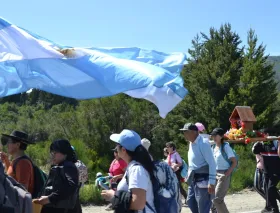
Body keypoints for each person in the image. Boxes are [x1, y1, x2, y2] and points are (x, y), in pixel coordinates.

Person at [101, 129, 156, 213]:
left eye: (117, 145)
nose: (116, 148)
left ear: (123, 150)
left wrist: (114, 196)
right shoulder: (134, 167)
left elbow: (138, 203)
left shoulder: (136, 169)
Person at [34, 139, 81, 213]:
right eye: (52, 152)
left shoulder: (68, 166)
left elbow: (72, 185)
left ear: (65, 153)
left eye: (55, 152)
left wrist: (50, 198)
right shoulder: (61, 165)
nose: (52, 155)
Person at [180, 123, 216, 213]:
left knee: (202, 206)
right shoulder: (191, 143)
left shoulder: (203, 143)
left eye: (186, 132)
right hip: (193, 179)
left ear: (194, 132)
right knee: (190, 201)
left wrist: (211, 182)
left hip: (203, 179)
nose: (184, 134)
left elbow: (212, 163)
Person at [252, 129, 280, 213]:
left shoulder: (275, 142)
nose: (263, 136)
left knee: (270, 188)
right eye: (261, 134)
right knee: (268, 189)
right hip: (267, 170)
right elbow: (254, 151)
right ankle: (274, 209)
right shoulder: (261, 144)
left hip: (277, 170)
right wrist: (258, 141)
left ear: (268, 134)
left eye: (264, 134)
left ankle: (274, 209)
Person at [210, 128, 237, 213]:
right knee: (212, 198)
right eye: (213, 135)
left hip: (223, 174)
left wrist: (227, 173)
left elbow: (234, 162)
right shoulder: (213, 147)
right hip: (214, 174)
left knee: (217, 199)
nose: (214, 137)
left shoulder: (225, 146)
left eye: (216, 135)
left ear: (221, 136)